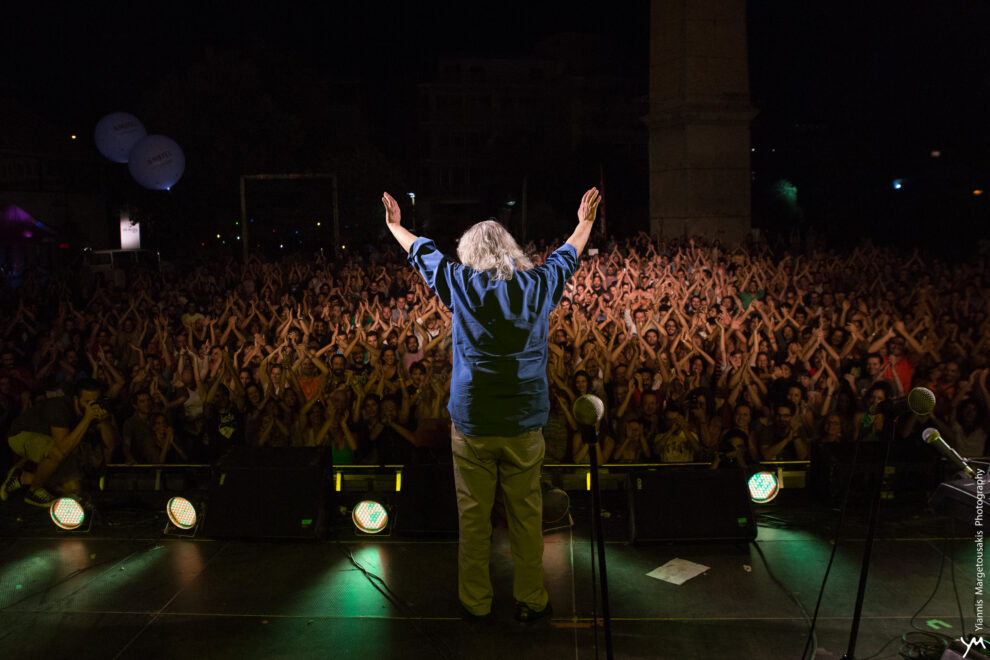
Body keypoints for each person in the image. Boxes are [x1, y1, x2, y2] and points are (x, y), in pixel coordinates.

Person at [382, 186, 601, 624]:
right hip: (523, 424)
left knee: (474, 520)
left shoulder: (461, 284)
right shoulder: (537, 284)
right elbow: (568, 254)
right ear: (510, 250)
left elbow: (424, 254)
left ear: (470, 253)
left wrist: (396, 226)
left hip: (473, 423)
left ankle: (476, 603)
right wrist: (585, 222)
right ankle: (531, 599)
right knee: (526, 517)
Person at [1, 378, 114, 506]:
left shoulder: (92, 410)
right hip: (22, 436)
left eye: (96, 401)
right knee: (57, 451)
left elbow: (110, 446)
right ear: (76, 399)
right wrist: (87, 419)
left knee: (74, 490)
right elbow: (62, 449)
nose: (92, 405)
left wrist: (105, 422)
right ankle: (34, 491)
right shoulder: (60, 407)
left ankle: (22, 478)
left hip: (53, 445)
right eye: (88, 401)